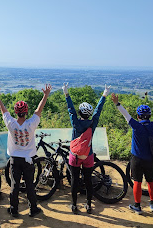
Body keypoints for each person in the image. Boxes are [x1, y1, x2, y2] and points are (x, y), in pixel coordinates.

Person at [111, 91, 153, 214]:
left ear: (138, 116)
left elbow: (125, 114)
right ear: (149, 115)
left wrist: (117, 103)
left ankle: (137, 206)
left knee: (137, 182)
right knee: (151, 182)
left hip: (137, 158)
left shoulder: (136, 126)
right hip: (149, 159)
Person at [0, 84, 52, 218]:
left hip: (14, 159)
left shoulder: (11, 124)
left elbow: (3, 110)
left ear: (16, 112)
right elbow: (39, 110)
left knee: (15, 184)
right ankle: (33, 209)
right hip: (29, 160)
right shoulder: (31, 124)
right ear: (26, 112)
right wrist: (45, 95)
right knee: (30, 185)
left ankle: (14, 210)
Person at [62, 83, 111, 214]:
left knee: (74, 180)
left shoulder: (76, 123)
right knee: (88, 181)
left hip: (75, 156)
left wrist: (66, 93)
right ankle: (88, 205)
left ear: (80, 112)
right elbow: (98, 111)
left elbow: (70, 109)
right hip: (88, 156)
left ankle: (74, 205)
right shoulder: (92, 123)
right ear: (89, 114)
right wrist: (104, 95)